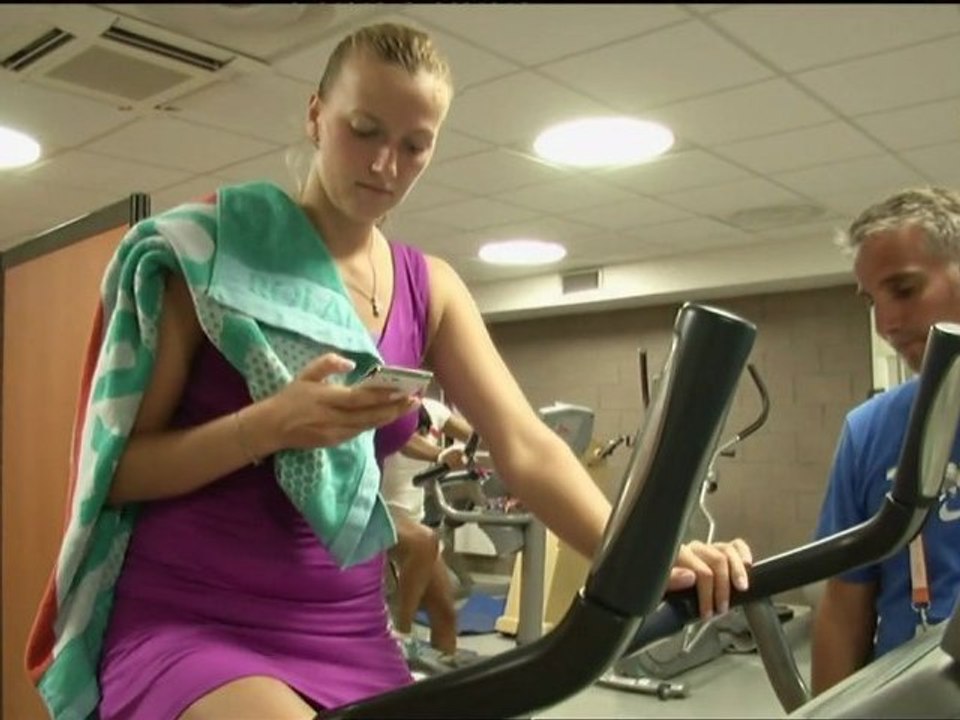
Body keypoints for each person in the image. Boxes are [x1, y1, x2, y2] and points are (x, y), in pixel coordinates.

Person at [28, 22, 753, 720]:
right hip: (193, 616)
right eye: (364, 130)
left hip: (343, 628)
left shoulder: (428, 288)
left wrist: (657, 557)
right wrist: (264, 427)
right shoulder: (209, 254)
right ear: (316, 116)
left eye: (414, 146)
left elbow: (527, 447)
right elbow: (119, 473)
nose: (384, 166)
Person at [811, 187, 960, 696]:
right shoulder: (870, 430)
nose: (885, 324)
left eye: (903, 289)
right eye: (872, 301)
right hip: (911, 698)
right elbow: (844, 609)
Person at [381, 397, 476, 665]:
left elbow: (473, 434)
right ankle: (400, 632)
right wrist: (440, 455)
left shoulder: (434, 410)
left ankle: (441, 686)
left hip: (413, 517)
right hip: (379, 511)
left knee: (444, 610)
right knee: (425, 540)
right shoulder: (387, 408)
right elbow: (404, 441)